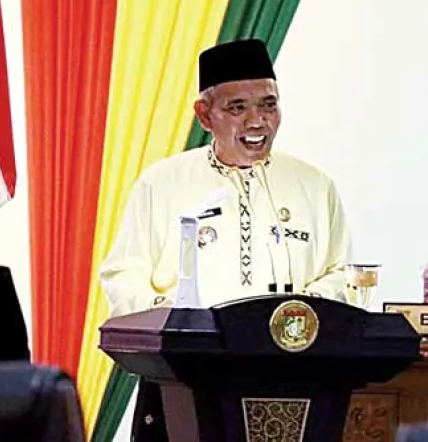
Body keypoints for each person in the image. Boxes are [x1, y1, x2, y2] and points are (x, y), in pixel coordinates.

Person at [98, 38, 353, 441]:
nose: (257, 121)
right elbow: (122, 274)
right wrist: (173, 318)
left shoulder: (315, 185)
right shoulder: (162, 183)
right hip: (185, 377)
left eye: (268, 105)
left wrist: (295, 316)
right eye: (238, 108)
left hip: (292, 377)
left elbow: (342, 273)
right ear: (205, 115)